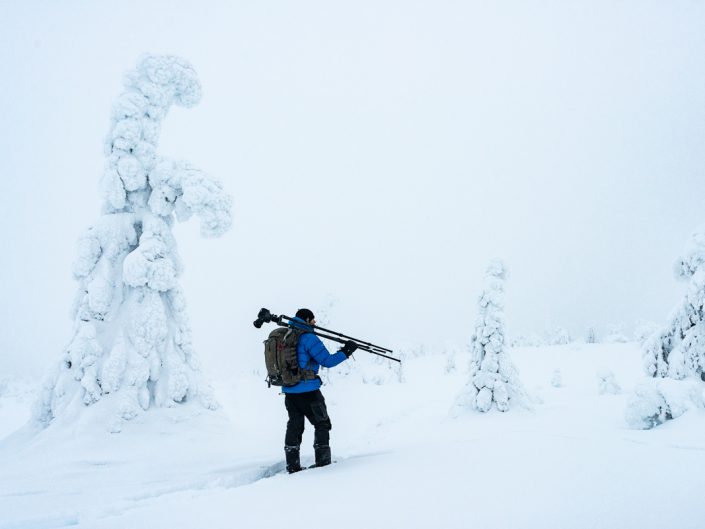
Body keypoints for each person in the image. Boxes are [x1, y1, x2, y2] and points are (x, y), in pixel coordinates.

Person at [283, 308, 357, 473]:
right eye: (313, 319)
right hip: (308, 391)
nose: (315, 322)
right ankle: (323, 465)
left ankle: (292, 465)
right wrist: (346, 351)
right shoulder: (309, 338)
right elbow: (327, 361)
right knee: (322, 423)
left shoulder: (286, 335)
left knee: (294, 426)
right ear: (307, 319)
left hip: (289, 391)